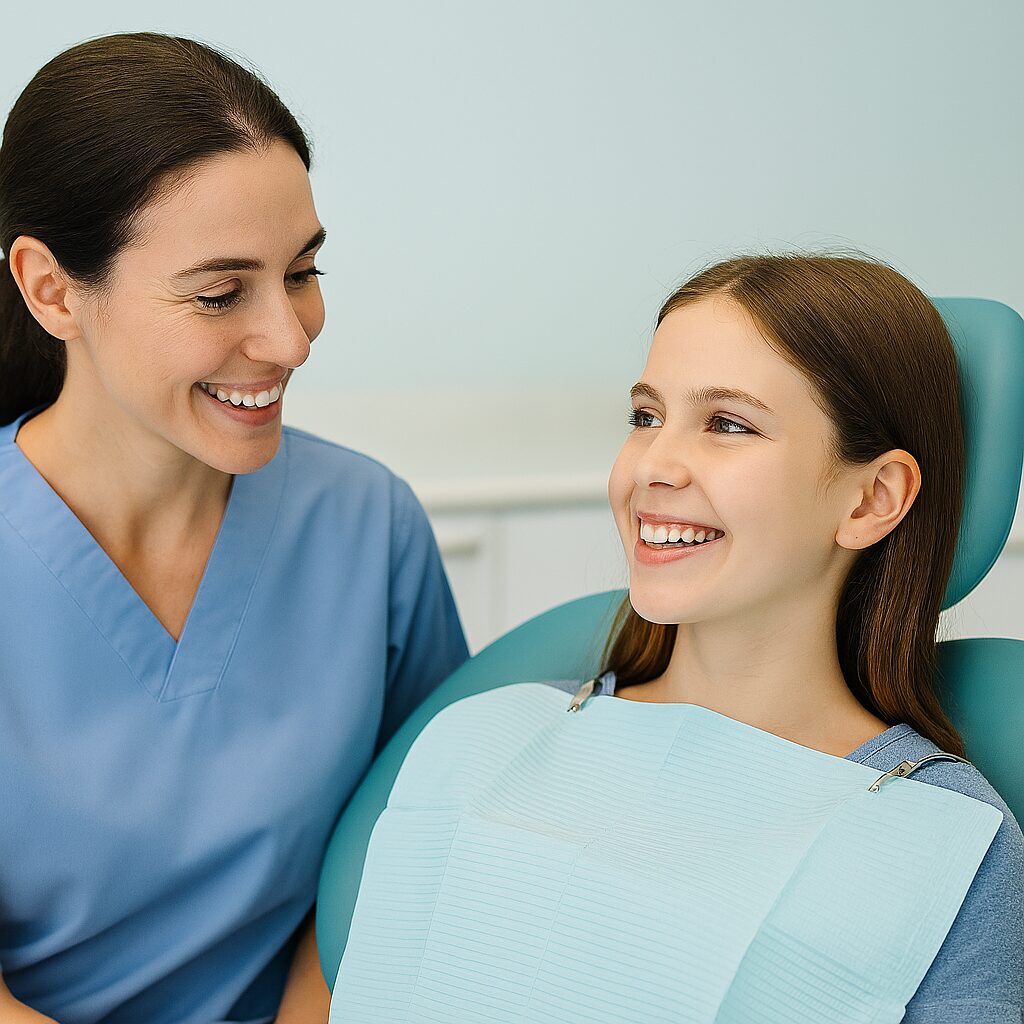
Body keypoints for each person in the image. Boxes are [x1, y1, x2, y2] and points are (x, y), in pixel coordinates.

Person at [329, 255, 1023, 1022]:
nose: (653, 465)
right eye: (646, 417)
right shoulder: (486, 736)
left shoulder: (945, 842)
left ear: (871, 498)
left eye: (728, 424)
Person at [0, 32, 468, 1024]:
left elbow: (412, 849)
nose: (290, 339)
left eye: (302, 273)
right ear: (50, 289)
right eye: (221, 293)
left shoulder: (365, 525)